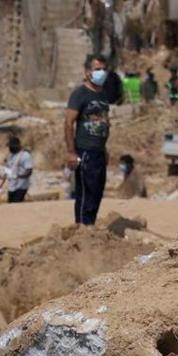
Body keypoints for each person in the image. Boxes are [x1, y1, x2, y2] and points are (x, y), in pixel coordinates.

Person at [67, 55, 124, 227]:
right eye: (97, 69)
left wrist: (104, 149)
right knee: (86, 191)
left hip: (99, 151)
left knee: (98, 191)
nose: (101, 72)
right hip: (84, 150)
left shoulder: (103, 95)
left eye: (103, 69)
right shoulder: (80, 94)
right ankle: (82, 227)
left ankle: (90, 225)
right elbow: (68, 122)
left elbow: (104, 123)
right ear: (87, 72)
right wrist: (70, 152)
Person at [5, 134, 33, 203]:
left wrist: (18, 176)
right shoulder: (10, 156)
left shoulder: (25, 155)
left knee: (16, 203)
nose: (10, 148)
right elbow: (9, 168)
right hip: (11, 186)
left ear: (17, 146)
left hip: (21, 186)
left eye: (12, 147)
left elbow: (29, 171)